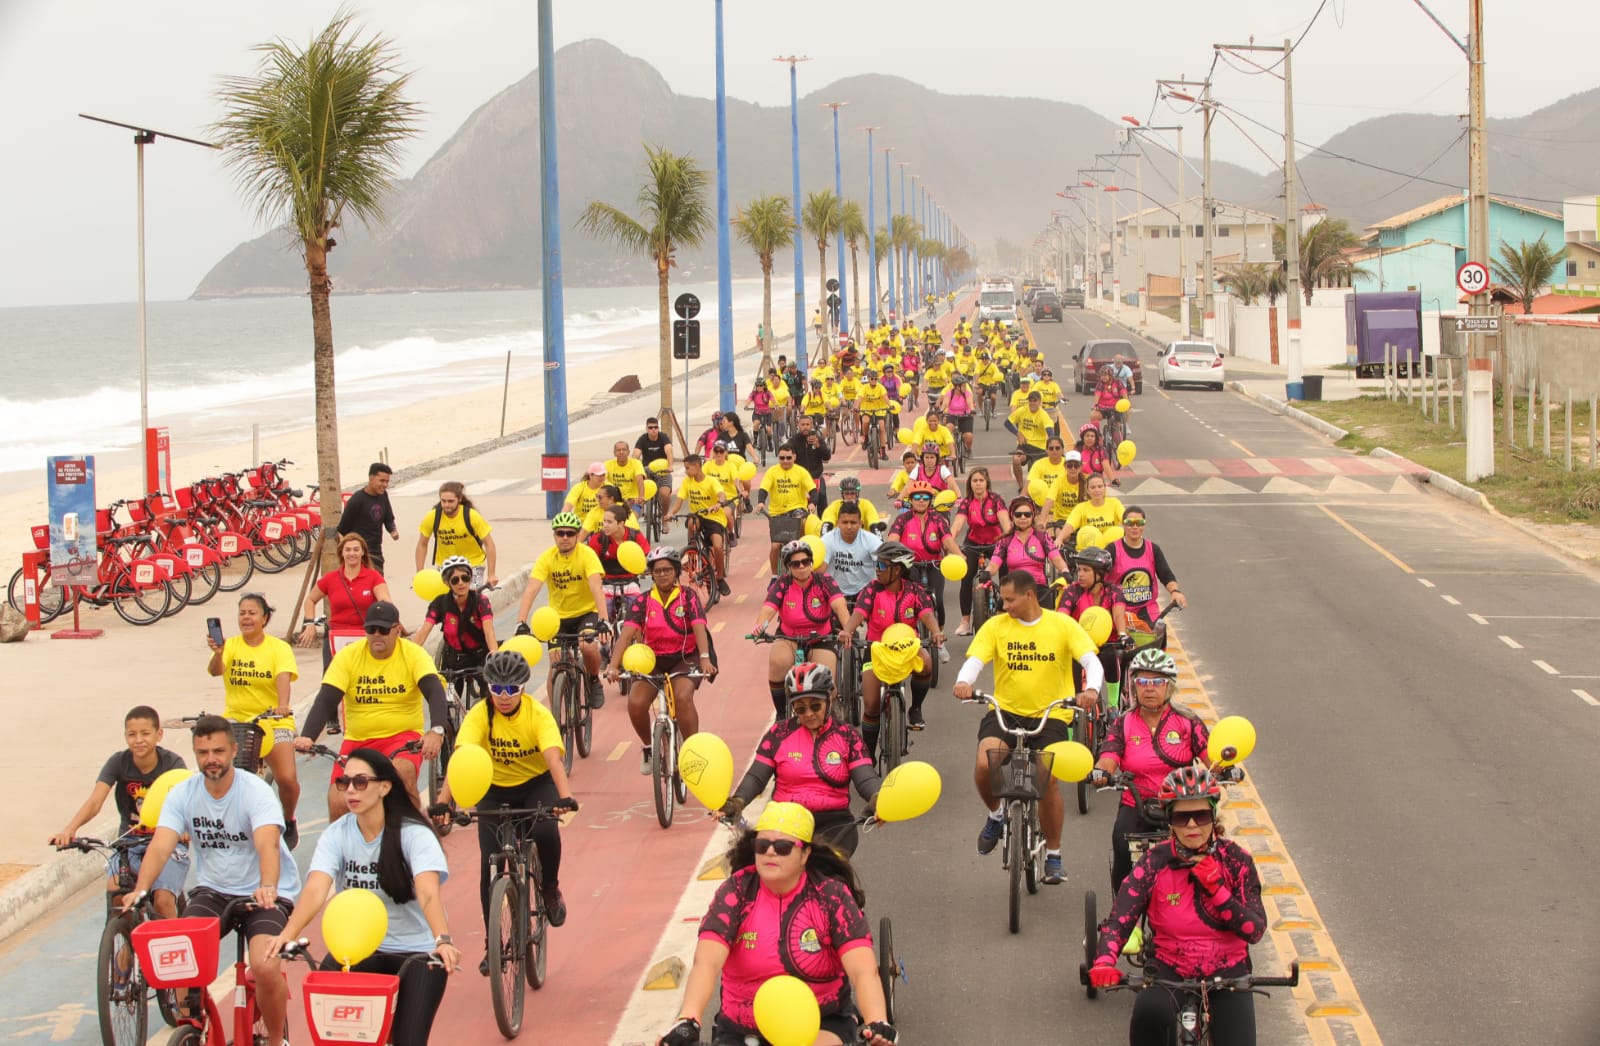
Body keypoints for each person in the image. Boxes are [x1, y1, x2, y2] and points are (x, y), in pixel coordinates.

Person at [657, 803, 896, 1046]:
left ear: (805, 854)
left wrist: (878, 1021)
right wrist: (688, 1019)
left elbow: (864, 971)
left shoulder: (832, 896)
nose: (770, 853)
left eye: (782, 847)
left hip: (820, 1020)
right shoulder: (736, 892)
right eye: (762, 846)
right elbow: (706, 963)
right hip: (743, 1027)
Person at [265, 750, 458, 1046]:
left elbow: (427, 891)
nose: (351, 790)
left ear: (385, 787)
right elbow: (317, 888)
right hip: (356, 953)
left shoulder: (415, 835)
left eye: (361, 782)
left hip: (417, 953)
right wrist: (287, 935)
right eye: (345, 783)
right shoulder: (336, 834)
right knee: (334, 1034)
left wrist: (442, 940)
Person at [130, 715, 301, 1046]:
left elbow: (268, 845)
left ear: (234, 750)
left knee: (265, 967)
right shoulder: (183, 794)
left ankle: (278, 1038)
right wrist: (140, 889)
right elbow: (162, 844)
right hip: (213, 890)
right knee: (181, 953)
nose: (212, 759)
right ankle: (193, 1023)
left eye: (219, 751)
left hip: (264, 893)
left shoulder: (255, 792)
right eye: (203, 752)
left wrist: (267, 886)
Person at [1089, 766, 1266, 1046]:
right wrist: (1104, 961)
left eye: (1201, 816)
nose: (1193, 826)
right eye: (1183, 817)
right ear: (1170, 819)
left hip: (1228, 969)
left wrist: (1217, 891)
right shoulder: (1153, 862)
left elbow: (1254, 930)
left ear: (1213, 816)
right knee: (1148, 1014)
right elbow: (1120, 919)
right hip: (1169, 966)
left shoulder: (1236, 860)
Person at [951, 573, 1102, 885]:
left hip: (1051, 716)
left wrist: (1092, 691)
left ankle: (1054, 855)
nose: (1004, 606)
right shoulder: (996, 626)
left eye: (1010, 600)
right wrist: (964, 682)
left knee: (1046, 782)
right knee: (984, 764)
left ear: (1030, 595)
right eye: (1003, 600)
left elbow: (1091, 662)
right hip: (1006, 711)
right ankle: (995, 815)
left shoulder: (1062, 625)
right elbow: (976, 660)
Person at [435, 651, 578, 971]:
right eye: (496, 689)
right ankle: (493, 944)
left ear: (523, 689)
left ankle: (551, 888)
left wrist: (565, 798)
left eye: (511, 689)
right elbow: (462, 760)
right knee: (490, 866)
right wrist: (445, 801)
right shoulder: (479, 715)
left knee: (545, 830)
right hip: (493, 789)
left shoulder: (537, 716)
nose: (503, 696)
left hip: (534, 785)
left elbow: (553, 759)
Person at [296, 601, 449, 819]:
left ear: (397, 629)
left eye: (384, 630)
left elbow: (434, 692)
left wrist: (436, 730)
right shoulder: (349, 656)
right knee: (338, 802)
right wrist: (307, 736)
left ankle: (414, 836)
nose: (377, 635)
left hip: (402, 739)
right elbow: (326, 700)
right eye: (371, 629)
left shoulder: (413, 654)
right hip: (358, 740)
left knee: (402, 778)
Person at [719, 665, 880, 856]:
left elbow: (866, 779)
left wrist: (878, 799)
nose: (809, 714)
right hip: (785, 822)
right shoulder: (778, 734)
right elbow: (756, 777)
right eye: (800, 708)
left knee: (830, 877)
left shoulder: (848, 736)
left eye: (815, 706)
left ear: (829, 700)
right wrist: (737, 801)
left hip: (834, 824)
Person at [1090, 648, 1214, 892]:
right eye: (1143, 681)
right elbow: (1109, 755)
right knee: (1121, 844)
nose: (1149, 688)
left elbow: (1212, 757)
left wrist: (1226, 769)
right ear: (1133, 686)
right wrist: (1101, 772)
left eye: (1157, 682)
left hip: (1182, 804)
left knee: (1210, 851)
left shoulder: (1188, 721)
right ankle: (1125, 916)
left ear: (1169, 687)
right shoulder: (1123, 722)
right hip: (1137, 803)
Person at [51, 705, 188, 917]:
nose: (138, 740)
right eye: (132, 734)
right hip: (129, 842)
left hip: (166, 840)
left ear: (159, 734)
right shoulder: (118, 762)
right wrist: (70, 829)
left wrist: (185, 828)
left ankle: (173, 945)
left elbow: (186, 802)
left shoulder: (173, 763)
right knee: (116, 894)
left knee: (162, 901)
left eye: (145, 733)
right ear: (125, 736)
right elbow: (95, 801)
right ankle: (120, 947)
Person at [606, 547, 718, 773]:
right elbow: (627, 634)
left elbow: (698, 627)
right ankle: (649, 747)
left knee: (682, 696)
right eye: (657, 571)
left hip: (685, 658)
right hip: (652, 660)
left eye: (667, 570)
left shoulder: (688, 596)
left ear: (676, 572)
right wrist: (612, 666)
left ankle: (690, 754)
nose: (663, 574)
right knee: (636, 703)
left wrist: (705, 658)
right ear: (652, 574)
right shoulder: (642, 601)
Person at [207, 593, 301, 846]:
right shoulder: (231, 646)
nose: (246, 618)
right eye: (242, 613)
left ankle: (289, 818)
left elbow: (283, 677)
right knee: (222, 774)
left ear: (265, 618)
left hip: (272, 721)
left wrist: (283, 705)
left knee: (287, 779)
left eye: (252, 613)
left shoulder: (279, 648)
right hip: (237, 720)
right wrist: (218, 653)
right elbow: (217, 671)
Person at [837, 541, 942, 747]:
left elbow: (927, 614)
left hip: (907, 647)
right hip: (876, 648)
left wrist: (937, 632)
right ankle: (869, 755)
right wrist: (848, 631)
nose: (877, 569)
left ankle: (915, 708)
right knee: (871, 705)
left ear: (898, 569)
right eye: (877, 564)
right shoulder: (871, 590)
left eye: (883, 566)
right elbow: (859, 612)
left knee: (927, 664)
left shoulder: (915, 590)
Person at [515, 513, 611, 708]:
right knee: (555, 662)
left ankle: (593, 680)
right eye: (560, 533)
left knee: (587, 646)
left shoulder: (587, 555)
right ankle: (555, 716)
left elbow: (596, 586)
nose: (565, 537)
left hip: (586, 612)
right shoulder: (547, 558)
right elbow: (532, 588)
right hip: (557, 616)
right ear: (554, 536)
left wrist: (604, 619)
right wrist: (521, 622)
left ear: (577, 535)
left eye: (569, 533)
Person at [754, 539, 852, 718]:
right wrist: (760, 626)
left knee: (826, 679)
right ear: (788, 567)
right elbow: (768, 609)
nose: (802, 567)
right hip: (789, 637)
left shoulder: (825, 581)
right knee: (777, 662)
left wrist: (847, 629)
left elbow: (840, 606)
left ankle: (827, 716)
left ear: (811, 562)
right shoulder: (782, 584)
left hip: (822, 639)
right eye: (796, 563)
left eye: (806, 562)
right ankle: (781, 714)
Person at [885, 481, 962, 654]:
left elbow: (948, 541)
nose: (921, 500)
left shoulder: (938, 519)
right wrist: (890, 556)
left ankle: (940, 638)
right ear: (911, 500)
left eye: (925, 497)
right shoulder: (902, 519)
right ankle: (907, 635)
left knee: (938, 601)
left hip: (934, 564)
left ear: (930, 500)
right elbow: (893, 539)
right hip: (910, 565)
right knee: (907, 601)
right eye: (917, 497)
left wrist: (960, 555)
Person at [298, 532, 391, 669]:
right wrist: (310, 623)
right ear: (341, 553)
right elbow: (310, 599)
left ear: (363, 552)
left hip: (364, 635)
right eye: (347, 550)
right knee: (332, 679)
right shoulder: (331, 578)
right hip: (335, 636)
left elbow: (386, 602)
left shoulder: (373, 577)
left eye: (356, 549)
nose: (351, 553)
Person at [412, 554, 499, 682]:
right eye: (455, 580)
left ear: (470, 578)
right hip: (454, 658)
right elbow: (424, 631)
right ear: (447, 583)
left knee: (488, 694)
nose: (461, 583)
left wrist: (494, 653)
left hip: (480, 655)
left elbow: (489, 631)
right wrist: (409, 655)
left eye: (465, 578)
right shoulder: (440, 603)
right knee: (448, 697)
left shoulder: (481, 601)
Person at [1058, 545, 1129, 692]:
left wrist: (1122, 635)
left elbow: (1118, 615)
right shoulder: (1072, 591)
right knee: (1073, 663)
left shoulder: (1114, 592)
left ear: (1099, 574)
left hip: (1108, 644)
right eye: (1079, 570)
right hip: (1079, 645)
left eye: (1086, 570)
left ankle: (1112, 705)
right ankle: (1078, 704)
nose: (1080, 575)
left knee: (1110, 657)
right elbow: (1062, 616)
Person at [951, 467, 1010, 636]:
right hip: (973, 544)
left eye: (981, 480)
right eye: (974, 481)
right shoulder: (967, 502)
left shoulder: (996, 500)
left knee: (1005, 573)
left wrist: (1007, 543)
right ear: (970, 483)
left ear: (987, 483)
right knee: (967, 577)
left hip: (995, 543)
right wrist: (950, 542)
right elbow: (957, 525)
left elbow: (1006, 525)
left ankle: (1004, 610)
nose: (978, 484)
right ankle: (965, 621)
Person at [1107, 507, 1187, 631]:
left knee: (1158, 634)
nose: (1135, 527)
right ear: (1123, 524)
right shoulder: (1112, 549)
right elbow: (1098, 578)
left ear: (1144, 525)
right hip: (1120, 609)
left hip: (1147, 608)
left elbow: (1166, 574)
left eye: (1139, 523)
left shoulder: (1153, 549)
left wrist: (1175, 591)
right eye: (1130, 523)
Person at [415, 481, 497, 590]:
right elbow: (422, 544)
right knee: (445, 602)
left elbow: (489, 543)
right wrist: (419, 573)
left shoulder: (471, 516)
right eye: (443, 501)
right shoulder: (433, 516)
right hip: (445, 565)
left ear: (459, 499)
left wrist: (491, 574)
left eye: (451, 501)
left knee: (470, 598)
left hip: (472, 564)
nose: (446, 505)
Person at [669, 454, 731, 596]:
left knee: (717, 546)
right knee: (691, 521)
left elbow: (722, 495)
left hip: (714, 517)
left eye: (687, 468)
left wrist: (718, 504)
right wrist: (670, 513)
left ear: (697, 466)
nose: (685, 471)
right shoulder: (687, 482)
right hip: (698, 516)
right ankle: (692, 551)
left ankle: (720, 577)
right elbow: (679, 502)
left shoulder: (711, 481)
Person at [983, 495, 1071, 596]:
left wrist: (1065, 571)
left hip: (1039, 587)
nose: (1023, 517)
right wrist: (987, 572)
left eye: (1027, 514)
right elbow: (994, 564)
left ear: (1033, 516)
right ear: (1012, 516)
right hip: (1014, 589)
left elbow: (1057, 559)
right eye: (1018, 514)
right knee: (1001, 608)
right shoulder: (1005, 541)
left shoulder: (1043, 537)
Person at [756, 449, 818, 574]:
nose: (785, 461)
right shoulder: (772, 472)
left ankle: (804, 568)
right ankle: (774, 577)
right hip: (777, 514)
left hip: (797, 510)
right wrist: (761, 502)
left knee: (799, 543)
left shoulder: (801, 471)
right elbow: (764, 488)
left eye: (788, 458)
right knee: (775, 546)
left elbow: (813, 490)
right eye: (782, 458)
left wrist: (812, 503)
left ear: (794, 457)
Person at [336, 462, 400, 575]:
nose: (385, 485)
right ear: (371, 478)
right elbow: (342, 530)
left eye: (387, 481)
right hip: (360, 555)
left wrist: (393, 530)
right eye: (382, 481)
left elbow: (388, 518)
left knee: (378, 586)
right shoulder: (357, 500)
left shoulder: (383, 495)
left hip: (376, 553)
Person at [821, 502, 881, 600]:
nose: (849, 527)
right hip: (835, 593)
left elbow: (883, 566)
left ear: (861, 524)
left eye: (853, 522)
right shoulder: (827, 540)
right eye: (845, 522)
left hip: (865, 593)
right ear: (837, 523)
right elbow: (819, 572)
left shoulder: (872, 540)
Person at [588, 504, 651, 596]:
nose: (605, 525)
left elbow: (647, 556)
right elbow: (590, 563)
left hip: (630, 581)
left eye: (609, 522)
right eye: (604, 521)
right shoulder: (598, 539)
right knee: (605, 607)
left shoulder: (635, 536)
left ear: (621, 523)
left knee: (636, 606)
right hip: (605, 582)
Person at [1006, 391, 1054, 492]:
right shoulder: (1022, 410)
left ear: (1040, 402)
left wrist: (1052, 442)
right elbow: (1007, 423)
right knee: (1016, 459)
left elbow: (1050, 430)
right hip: (1024, 445)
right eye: (1030, 401)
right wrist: (1018, 433)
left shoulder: (1043, 415)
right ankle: (1021, 487)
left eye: (1035, 401)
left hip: (1039, 447)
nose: (1032, 403)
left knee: (1037, 475)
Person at [783, 414, 832, 509]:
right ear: (798, 425)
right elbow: (785, 457)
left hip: (816, 477)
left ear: (812, 426)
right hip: (799, 480)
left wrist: (818, 446)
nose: (805, 427)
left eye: (807, 424)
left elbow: (827, 457)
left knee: (821, 496)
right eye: (803, 424)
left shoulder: (818, 439)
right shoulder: (793, 441)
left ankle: (822, 521)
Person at [634, 417, 676, 524]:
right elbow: (636, 454)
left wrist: (670, 465)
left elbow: (669, 451)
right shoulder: (642, 439)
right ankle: (641, 510)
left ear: (658, 428)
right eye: (650, 427)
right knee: (639, 488)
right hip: (647, 470)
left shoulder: (663, 438)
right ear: (646, 429)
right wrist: (632, 466)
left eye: (656, 427)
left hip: (663, 470)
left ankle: (664, 518)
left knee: (665, 494)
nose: (653, 429)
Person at [1065, 473, 1125, 545]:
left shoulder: (1114, 502)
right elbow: (1070, 525)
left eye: (1100, 486)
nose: (1097, 490)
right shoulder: (1081, 507)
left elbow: (1126, 520)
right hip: (1090, 549)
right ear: (1087, 490)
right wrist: (1059, 539)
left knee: (1118, 531)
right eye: (1093, 487)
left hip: (1110, 547)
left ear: (1104, 488)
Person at [1042, 451, 1087, 536]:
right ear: (1065, 466)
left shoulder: (1087, 481)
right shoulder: (1058, 481)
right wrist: (1042, 521)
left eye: (1076, 465)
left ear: (1081, 467)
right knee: (1062, 536)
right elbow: (1049, 500)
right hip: (1062, 520)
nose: (1073, 468)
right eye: (1069, 466)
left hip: (1082, 520)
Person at [608, 440, 652, 523]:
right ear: (614, 453)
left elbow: (639, 479)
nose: (621, 452)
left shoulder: (636, 463)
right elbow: (602, 481)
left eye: (624, 450)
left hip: (633, 501)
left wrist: (641, 497)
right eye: (618, 450)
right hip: (615, 502)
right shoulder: (608, 465)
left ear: (628, 452)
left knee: (631, 522)